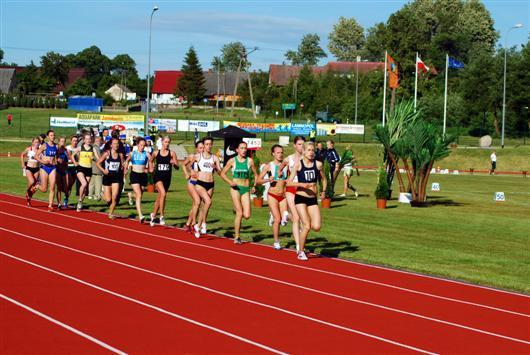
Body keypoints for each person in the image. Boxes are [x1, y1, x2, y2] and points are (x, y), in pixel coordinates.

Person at [287, 142, 326, 261]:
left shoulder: (318, 164)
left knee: (317, 226)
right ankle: (301, 251)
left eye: (313, 150)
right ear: (303, 151)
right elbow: (288, 182)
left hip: (312, 199)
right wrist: (301, 184)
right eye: (308, 150)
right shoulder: (298, 165)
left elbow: (324, 179)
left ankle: (294, 222)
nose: (311, 152)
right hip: (300, 198)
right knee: (307, 225)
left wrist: (323, 191)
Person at [220, 141, 258, 244]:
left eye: (245, 148)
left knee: (247, 215)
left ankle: (236, 210)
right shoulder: (232, 161)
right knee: (240, 213)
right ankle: (237, 237)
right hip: (235, 189)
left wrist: (254, 185)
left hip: (245, 189)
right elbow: (222, 174)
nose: (244, 150)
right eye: (242, 148)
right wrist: (230, 182)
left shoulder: (250, 161)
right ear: (237, 150)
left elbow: (255, 175)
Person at [187, 137, 221, 238]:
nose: (209, 146)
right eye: (207, 144)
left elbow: (220, 172)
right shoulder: (198, 156)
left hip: (211, 184)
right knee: (208, 201)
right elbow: (189, 165)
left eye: (210, 144)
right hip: (200, 183)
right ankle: (204, 224)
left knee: (205, 205)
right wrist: (192, 171)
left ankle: (198, 225)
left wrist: (216, 168)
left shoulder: (215, 158)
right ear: (204, 145)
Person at [258, 144, 289, 250]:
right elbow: (258, 180)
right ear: (273, 154)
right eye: (278, 153)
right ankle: (276, 241)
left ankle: (273, 214)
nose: (280, 155)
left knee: (285, 216)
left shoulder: (286, 165)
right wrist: (268, 179)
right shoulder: (269, 166)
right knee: (278, 219)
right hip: (272, 195)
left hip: (283, 195)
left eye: (281, 152)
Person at [282, 135, 306, 252]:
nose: (302, 146)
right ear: (294, 146)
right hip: (291, 190)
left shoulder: (307, 158)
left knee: (304, 219)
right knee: (296, 218)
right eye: (299, 144)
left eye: (303, 144)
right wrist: (280, 175)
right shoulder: (289, 159)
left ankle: (286, 215)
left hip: (302, 190)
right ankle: (298, 245)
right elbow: (279, 169)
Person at [149, 136, 179, 227]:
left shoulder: (172, 153)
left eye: (168, 142)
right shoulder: (156, 153)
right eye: (165, 142)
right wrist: (151, 168)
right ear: (162, 142)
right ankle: (162, 216)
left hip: (167, 178)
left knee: (160, 198)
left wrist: (173, 163)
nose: (167, 144)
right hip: (158, 177)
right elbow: (150, 161)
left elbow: (177, 167)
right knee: (163, 194)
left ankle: (153, 215)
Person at [124, 137, 152, 222]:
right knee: (139, 194)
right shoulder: (133, 153)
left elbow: (151, 161)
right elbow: (127, 160)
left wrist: (151, 169)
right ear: (137, 145)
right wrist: (125, 169)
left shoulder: (147, 154)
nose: (142, 147)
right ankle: (140, 215)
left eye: (144, 145)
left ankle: (130, 195)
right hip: (134, 174)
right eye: (141, 145)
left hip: (143, 175)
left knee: (140, 194)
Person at [97, 138, 125, 219]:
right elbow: (98, 163)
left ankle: (110, 213)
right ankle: (102, 195)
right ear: (111, 145)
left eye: (117, 144)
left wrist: (124, 168)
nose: (116, 145)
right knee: (108, 199)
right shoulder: (107, 154)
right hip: (107, 177)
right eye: (114, 143)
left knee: (115, 197)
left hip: (116, 178)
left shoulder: (120, 155)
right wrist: (103, 170)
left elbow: (122, 165)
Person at [72, 133, 99, 212]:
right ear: (84, 140)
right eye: (86, 139)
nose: (88, 140)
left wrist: (104, 158)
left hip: (89, 169)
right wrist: (75, 163)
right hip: (81, 168)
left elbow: (98, 158)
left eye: (89, 139)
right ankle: (80, 200)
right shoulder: (80, 148)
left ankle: (80, 203)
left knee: (85, 189)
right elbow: (72, 155)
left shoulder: (92, 148)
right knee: (84, 184)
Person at [33, 130, 58, 211]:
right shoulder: (44, 145)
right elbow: (36, 156)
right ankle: (37, 185)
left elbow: (56, 156)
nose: (53, 137)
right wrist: (43, 161)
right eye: (51, 135)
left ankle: (50, 205)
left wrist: (57, 160)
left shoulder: (56, 146)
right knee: (44, 189)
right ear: (47, 137)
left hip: (53, 168)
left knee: (53, 187)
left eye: (53, 135)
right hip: (44, 168)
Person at [182, 140, 204, 233]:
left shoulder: (206, 158)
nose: (202, 149)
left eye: (203, 148)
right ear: (196, 148)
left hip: (201, 184)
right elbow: (184, 164)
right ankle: (194, 224)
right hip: (192, 183)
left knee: (195, 204)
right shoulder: (192, 156)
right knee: (197, 202)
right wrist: (187, 173)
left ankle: (188, 224)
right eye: (200, 148)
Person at [20, 137, 41, 206]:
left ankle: (29, 198)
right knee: (32, 182)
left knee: (34, 187)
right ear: (32, 143)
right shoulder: (29, 149)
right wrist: (23, 164)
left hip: (37, 169)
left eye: (38, 142)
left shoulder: (40, 150)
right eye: (35, 142)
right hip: (29, 168)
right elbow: (22, 154)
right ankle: (27, 191)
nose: (37, 144)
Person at [64, 135, 78, 207]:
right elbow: (64, 159)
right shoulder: (67, 148)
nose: (75, 142)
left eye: (76, 141)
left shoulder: (78, 149)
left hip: (74, 169)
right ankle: (64, 198)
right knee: (67, 183)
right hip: (67, 168)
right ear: (71, 141)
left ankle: (66, 198)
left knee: (70, 185)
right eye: (74, 141)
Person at [55, 137, 69, 209]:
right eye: (62, 141)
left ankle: (65, 200)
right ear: (59, 142)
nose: (63, 142)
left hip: (64, 170)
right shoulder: (56, 149)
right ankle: (59, 203)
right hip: (57, 170)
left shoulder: (65, 150)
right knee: (59, 188)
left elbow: (67, 160)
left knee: (66, 188)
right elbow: (53, 157)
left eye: (64, 141)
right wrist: (57, 159)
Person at [88, 136, 103, 200]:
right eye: (100, 140)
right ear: (98, 141)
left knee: (92, 183)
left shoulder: (91, 147)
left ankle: (90, 195)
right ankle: (97, 195)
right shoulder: (96, 148)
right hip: (97, 168)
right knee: (98, 182)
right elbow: (98, 158)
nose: (101, 142)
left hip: (91, 167)